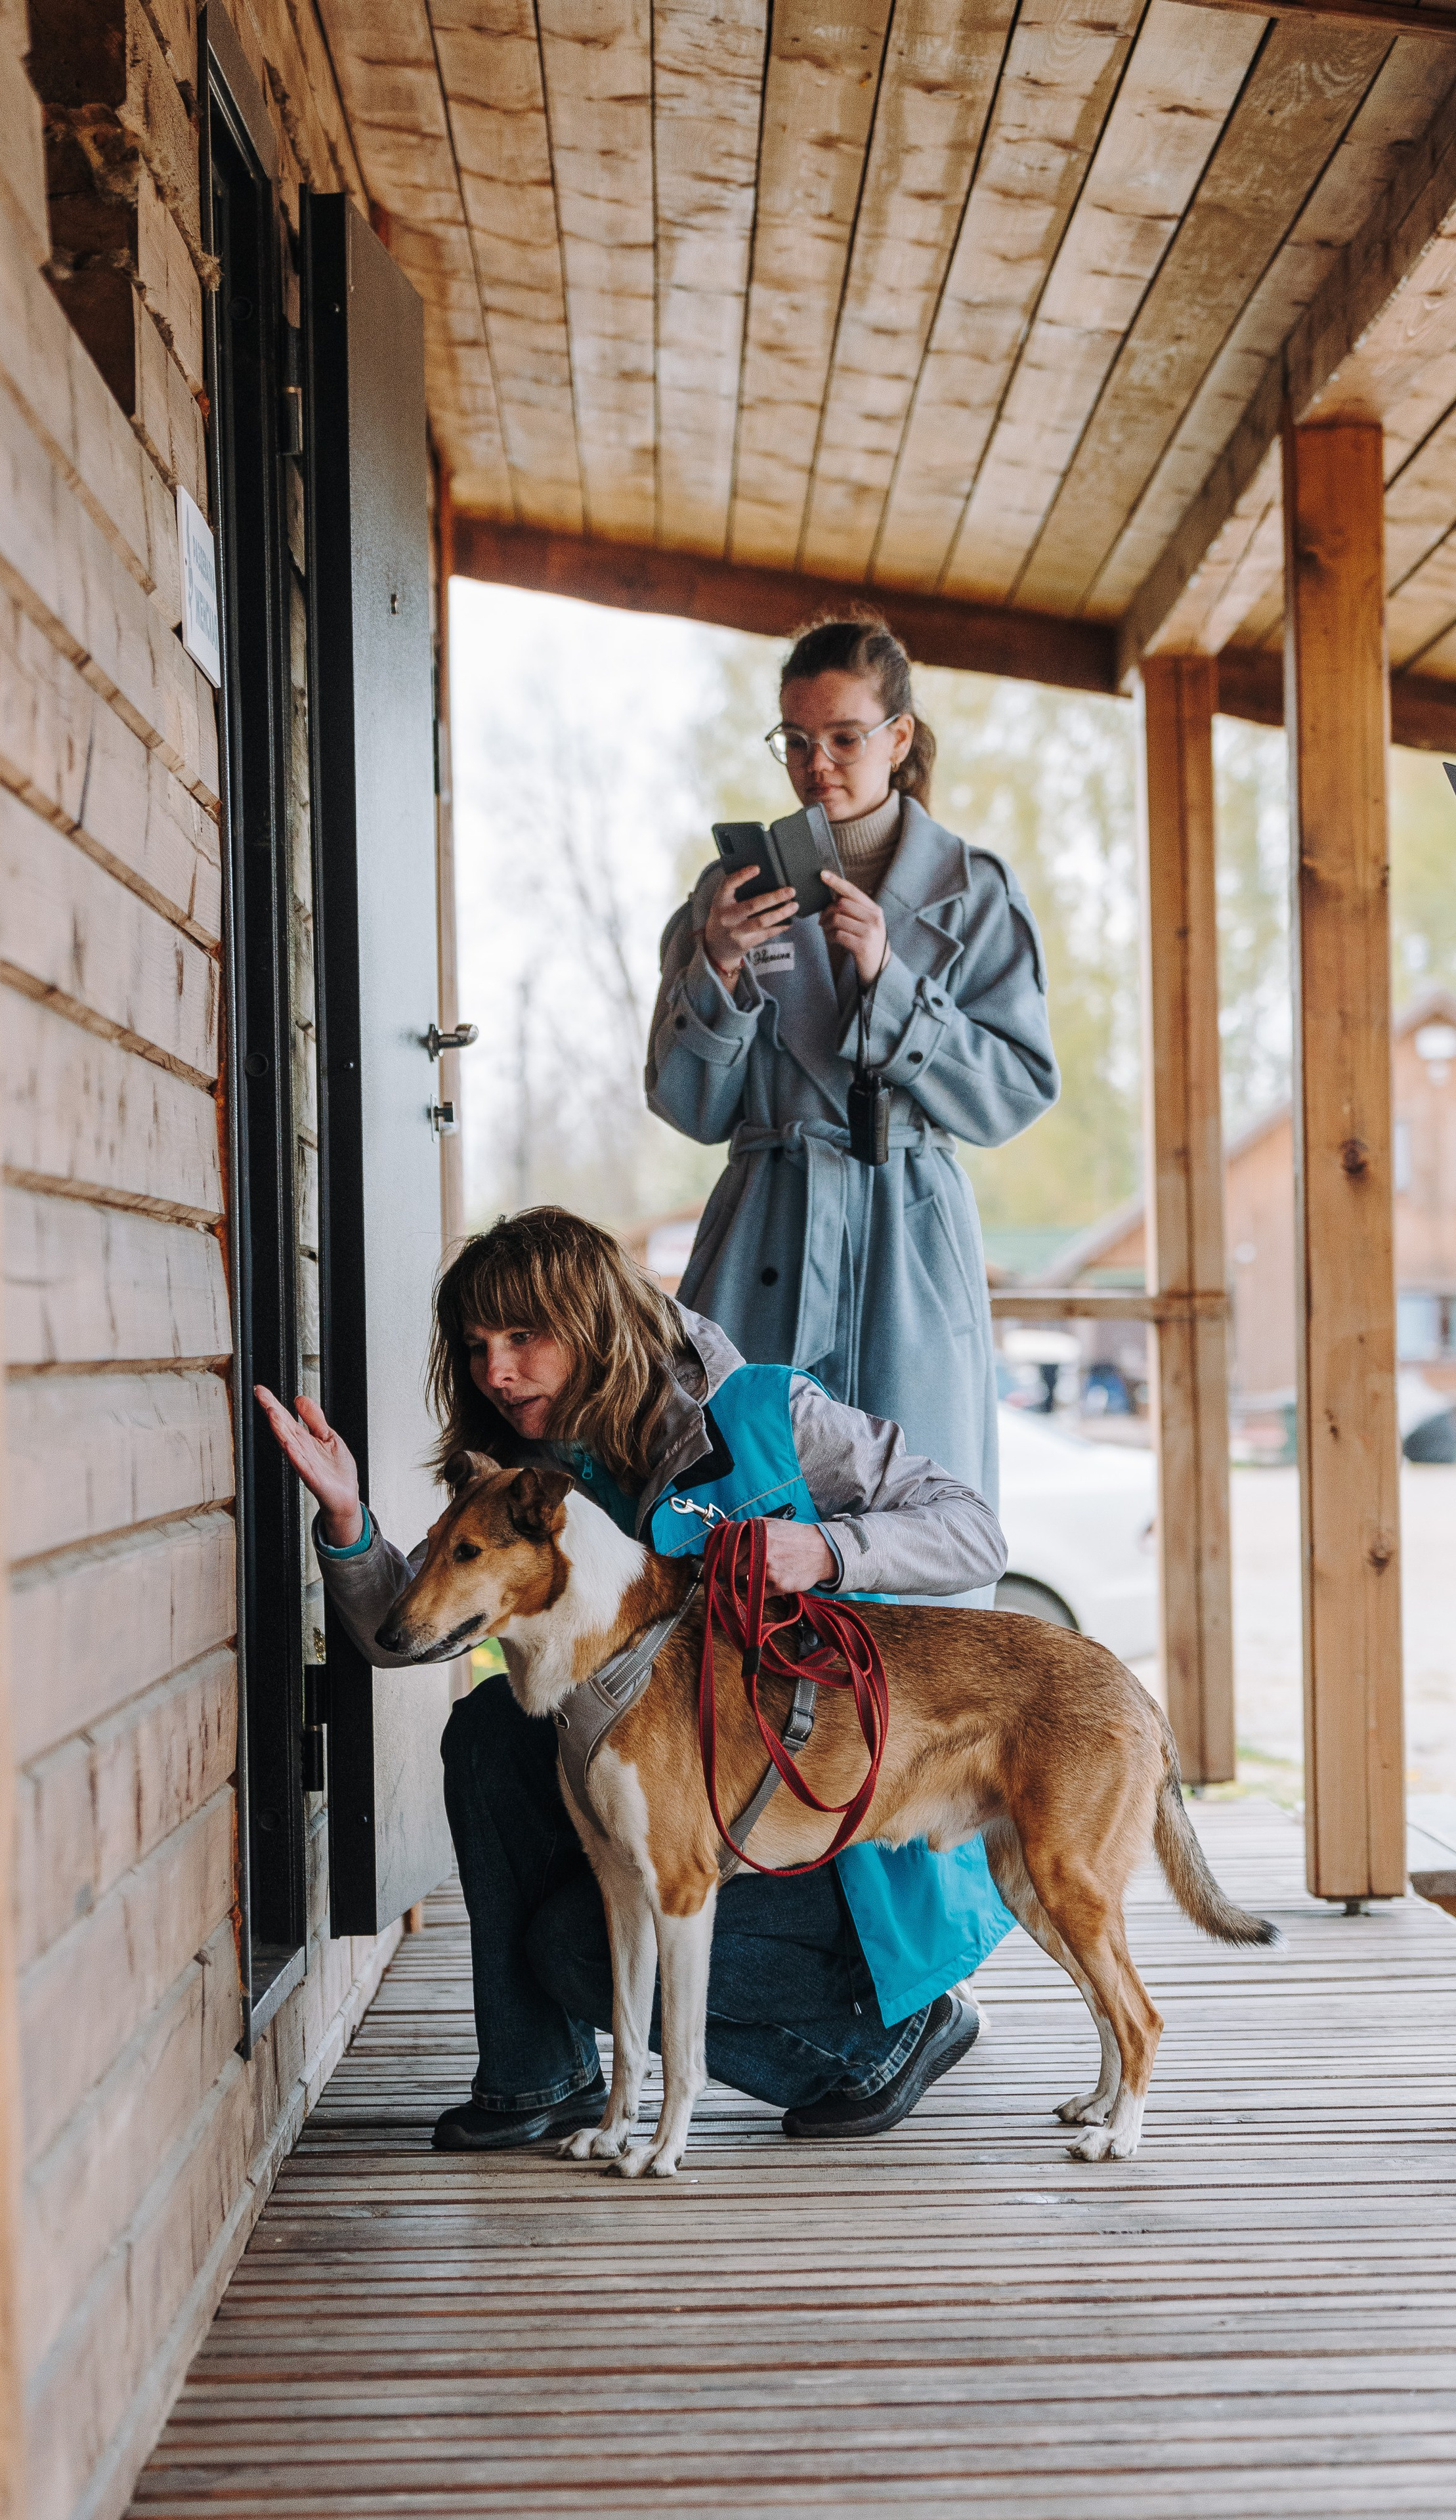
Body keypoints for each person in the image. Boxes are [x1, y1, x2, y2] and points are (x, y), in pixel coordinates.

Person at [256, 1207, 1017, 2153]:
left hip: (827, 1820)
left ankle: (881, 2035)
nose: (497, 1370)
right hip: (669, 1796)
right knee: (492, 1728)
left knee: (578, 1944)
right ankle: (543, 2074)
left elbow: (974, 1529)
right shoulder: (527, 1482)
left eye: (525, 1336)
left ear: (595, 1319)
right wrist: (344, 1518)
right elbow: (407, 1629)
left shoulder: (767, 1414)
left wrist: (827, 1546)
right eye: (479, 1345)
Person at [647, 612, 1058, 1549]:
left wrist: (893, 984)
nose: (815, 764)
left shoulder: (977, 890)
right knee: (726, 1504)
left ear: (899, 737)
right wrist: (712, 969)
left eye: (842, 737)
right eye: (795, 740)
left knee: (920, 1510)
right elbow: (689, 1107)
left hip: (907, 1244)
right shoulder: (728, 892)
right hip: (765, 1229)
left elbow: (1018, 1088)